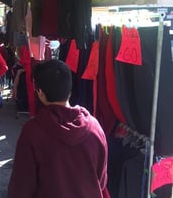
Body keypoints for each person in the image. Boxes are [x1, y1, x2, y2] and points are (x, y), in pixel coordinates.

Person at [8, 60, 108, 198]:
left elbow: (22, 186)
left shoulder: (32, 131)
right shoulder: (94, 127)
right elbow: (101, 181)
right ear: (69, 89)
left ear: (40, 92)